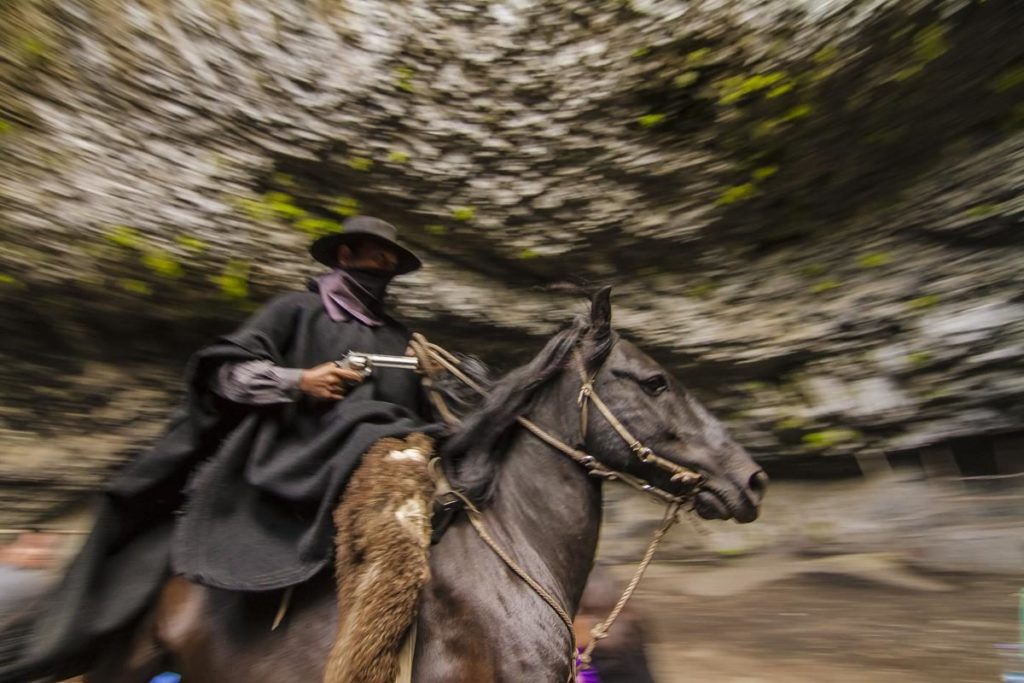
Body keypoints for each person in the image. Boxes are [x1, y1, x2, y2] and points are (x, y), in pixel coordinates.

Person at [0, 216, 440, 682]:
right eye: (376, 255)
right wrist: (299, 379)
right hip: (302, 452)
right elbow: (226, 373)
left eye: (391, 260)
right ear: (345, 255)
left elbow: (421, 408)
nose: (385, 265)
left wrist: (437, 376)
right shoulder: (293, 309)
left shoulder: (400, 337)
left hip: (391, 447)